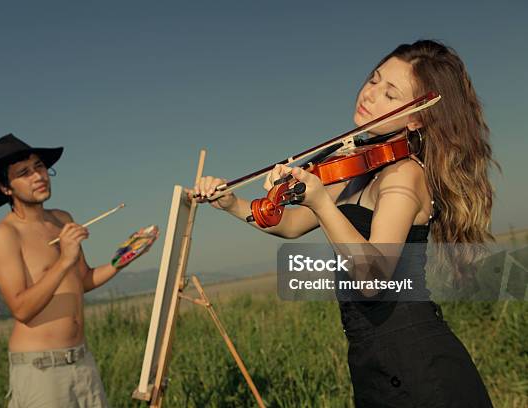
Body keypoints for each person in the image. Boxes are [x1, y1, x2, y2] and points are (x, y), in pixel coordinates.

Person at [192, 40, 495, 407]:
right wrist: (232, 203)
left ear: (417, 116)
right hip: (374, 360)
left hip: (418, 365)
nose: (370, 94)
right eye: (373, 79)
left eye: (390, 93)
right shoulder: (358, 168)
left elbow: (372, 276)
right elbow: (289, 225)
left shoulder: (404, 176)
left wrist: (321, 200)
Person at [0, 134, 128, 407]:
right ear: (5, 187)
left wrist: (121, 259)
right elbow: (21, 309)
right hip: (41, 371)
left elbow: (82, 280)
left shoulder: (62, 219)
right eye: (24, 172)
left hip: (82, 361)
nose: (38, 176)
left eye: (40, 167)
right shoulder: (5, 234)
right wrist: (64, 260)